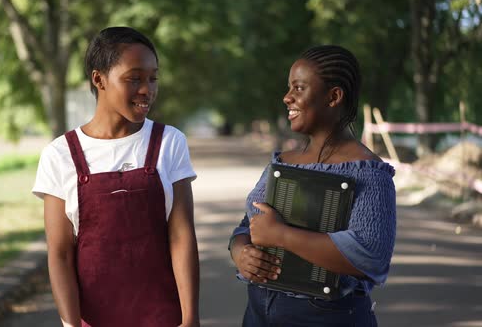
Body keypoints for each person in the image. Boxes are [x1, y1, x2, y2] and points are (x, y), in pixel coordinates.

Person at [32, 26, 200, 327]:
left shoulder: (169, 142)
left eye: (153, 78)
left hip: (162, 316)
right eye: (134, 78)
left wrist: (190, 319)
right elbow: (59, 254)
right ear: (99, 79)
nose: (147, 89)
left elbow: (181, 236)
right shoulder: (60, 155)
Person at [228, 45, 396, 326]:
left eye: (299, 88)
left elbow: (370, 255)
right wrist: (240, 252)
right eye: (288, 88)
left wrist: (281, 236)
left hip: (327, 316)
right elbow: (249, 225)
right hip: (259, 311)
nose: (287, 97)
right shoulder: (282, 162)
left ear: (334, 96)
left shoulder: (369, 173)